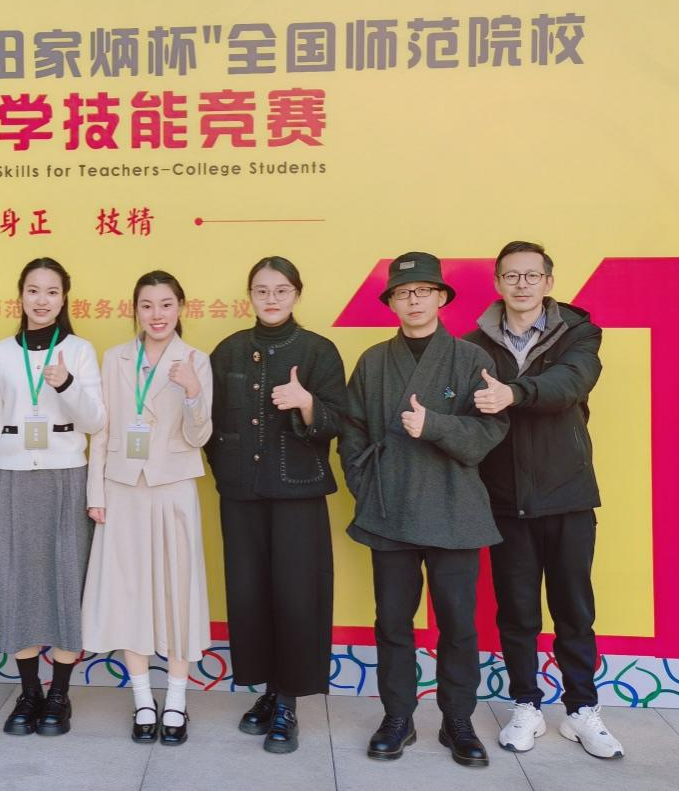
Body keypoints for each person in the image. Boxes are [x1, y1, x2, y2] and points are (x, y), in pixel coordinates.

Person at [338, 251, 509, 768]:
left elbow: (490, 431)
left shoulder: (470, 358)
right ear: (391, 302)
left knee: (458, 624)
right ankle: (398, 717)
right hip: (388, 508)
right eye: (403, 293)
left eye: (423, 291)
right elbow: (351, 431)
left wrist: (434, 425)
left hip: (455, 509)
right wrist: (367, 486)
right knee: (392, 622)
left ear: (440, 298)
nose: (413, 300)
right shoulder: (373, 361)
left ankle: (457, 719)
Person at [464, 241, 623, 759]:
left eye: (532, 275)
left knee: (574, 610)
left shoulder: (579, 333)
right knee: (517, 613)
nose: (522, 284)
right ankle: (525, 705)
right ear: (497, 283)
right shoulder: (472, 345)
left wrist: (513, 393)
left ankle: (581, 709)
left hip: (568, 494)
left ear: (548, 283)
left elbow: (571, 383)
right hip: (505, 499)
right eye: (512, 276)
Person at [205, 256, 348, 755]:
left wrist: (307, 403)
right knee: (249, 596)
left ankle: (288, 701)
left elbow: (340, 422)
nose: (271, 299)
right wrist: (227, 470)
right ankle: (268, 690)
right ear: (250, 295)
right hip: (241, 495)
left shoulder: (318, 350)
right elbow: (210, 424)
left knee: (297, 597)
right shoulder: (228, 351)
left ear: (296, 295)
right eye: (262, 290)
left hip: (297, 495)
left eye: (281, 290)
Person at [0, 257, 106, 737]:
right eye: (33, 290)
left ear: (64, 298)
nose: (42, 300)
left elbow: (96, 421)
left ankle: (60, 694)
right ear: (21, 295)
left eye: (51, 291)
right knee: (17, 584)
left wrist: (65, 384)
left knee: (67, 582)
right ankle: (28, 692)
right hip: (10, 477)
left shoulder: (80, 351)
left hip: (66, 477)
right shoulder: (1, 353)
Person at [81, 270, 213, 746]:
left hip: (173, 485)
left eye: (165, 304)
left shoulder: (195, 360)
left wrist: (193, 391)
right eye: (147, 305)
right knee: (128, 593)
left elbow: (200, 435)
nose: (157, 315)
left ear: (181, 307)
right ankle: (141, 699)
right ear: (134, 310)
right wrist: (95, 493)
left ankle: (176, 699)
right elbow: (101, 430)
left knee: (179, 592)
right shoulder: (114, 358)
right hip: (121, 487)